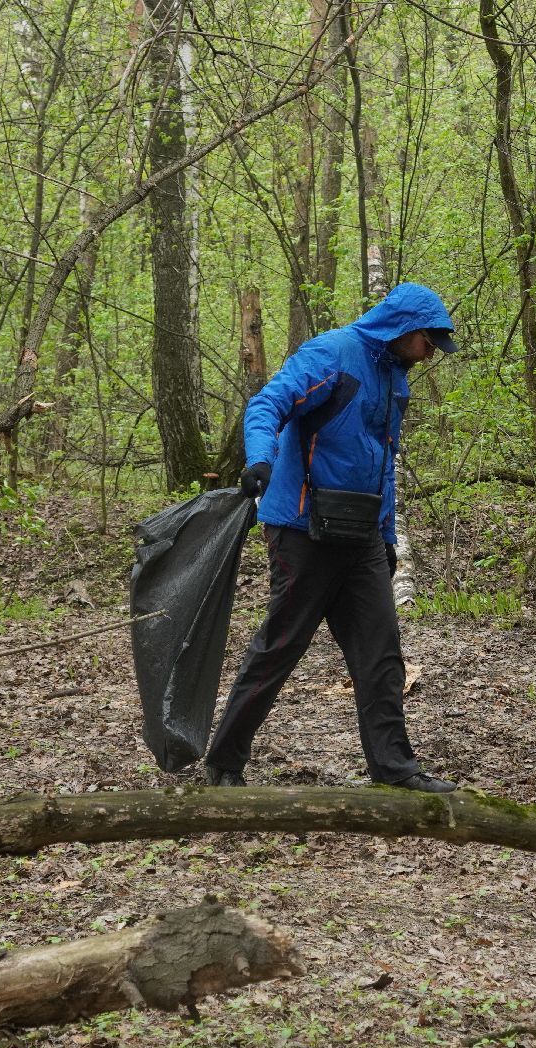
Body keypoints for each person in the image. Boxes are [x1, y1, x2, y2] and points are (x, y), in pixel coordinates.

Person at [202, 283, 459, 793]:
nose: (432, 353)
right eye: (429, 341)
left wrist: (385, 536)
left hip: (360, 534)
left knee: (380, 651)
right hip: (301, 527)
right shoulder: (332, 355)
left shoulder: (394, 378)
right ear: (405, 330)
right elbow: (267, 404)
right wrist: (259, 459)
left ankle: (393, 769)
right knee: (282, 645)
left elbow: (383, 463)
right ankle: (223, 763)